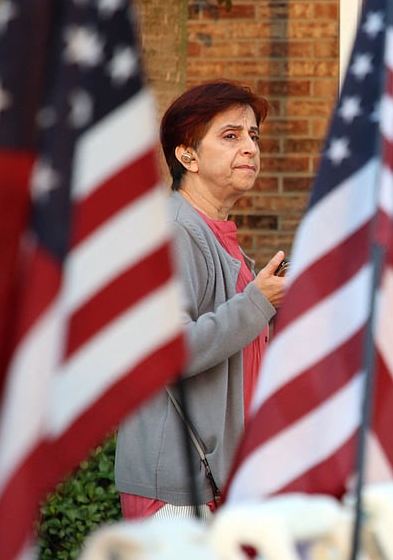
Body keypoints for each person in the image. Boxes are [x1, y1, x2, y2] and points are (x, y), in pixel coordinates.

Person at [115, 80, 287, 519]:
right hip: (177, 490)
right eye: (230, 136)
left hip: (216, 483)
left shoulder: (219, 236)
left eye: (253, 136)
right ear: (187, 155)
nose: (249, 147)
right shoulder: (175, 231)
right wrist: (256, 304)